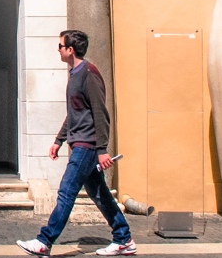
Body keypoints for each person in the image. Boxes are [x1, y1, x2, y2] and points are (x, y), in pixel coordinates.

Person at [17, 30, 135, 256]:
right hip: (80, 143)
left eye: (60, 46)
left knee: (66, 192)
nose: (58, 50)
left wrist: (102, 149)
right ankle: (124, 238)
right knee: (100, 194)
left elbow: (100, 113)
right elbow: (74, 113)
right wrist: (59, 140)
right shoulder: (76, 73)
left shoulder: (89, 74)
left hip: (87, 146)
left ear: (70, 50)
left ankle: (44, 241)